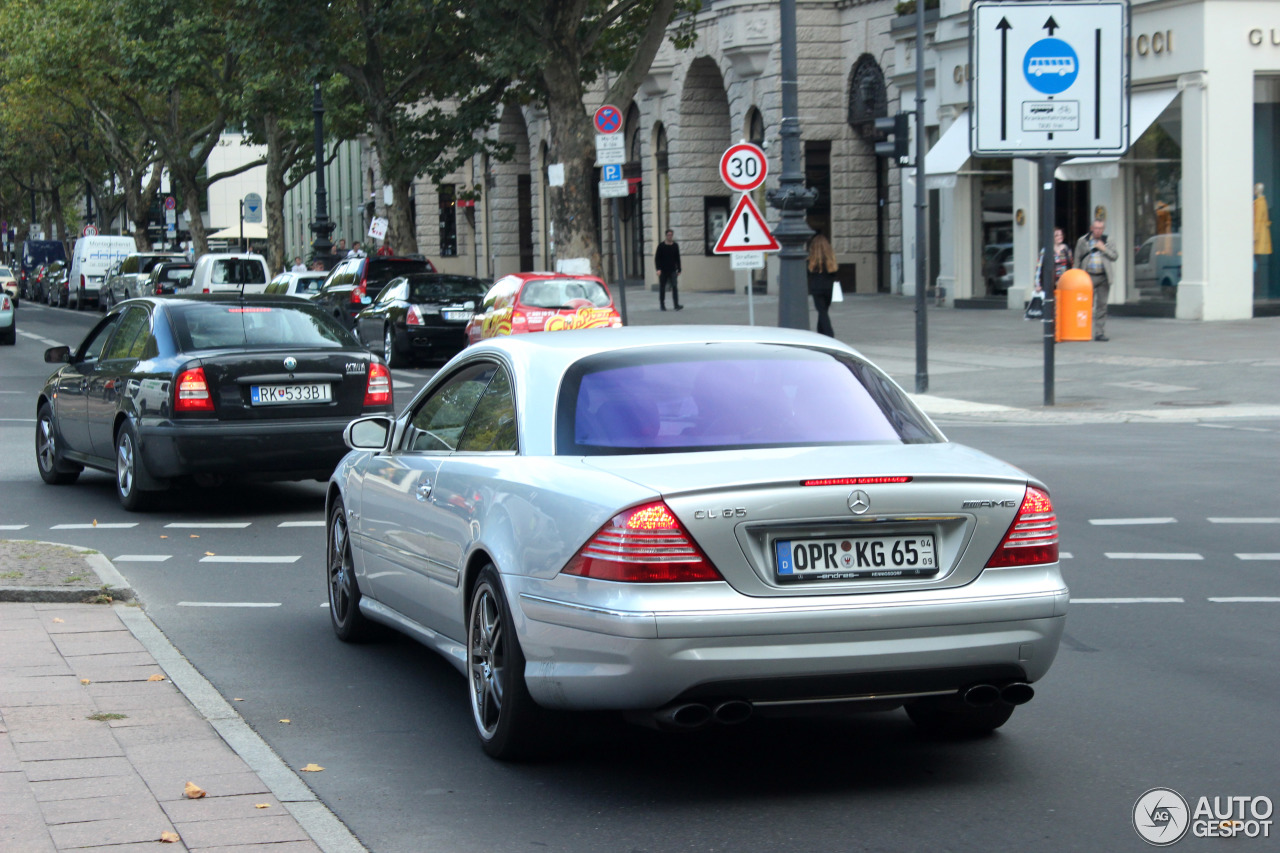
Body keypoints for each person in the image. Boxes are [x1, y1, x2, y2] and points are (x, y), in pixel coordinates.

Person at [1074, 219, 1118, 341]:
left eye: (1100, 228)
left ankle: (1099, 332)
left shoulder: (1108, 240)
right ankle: (1083, 330)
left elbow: (1115, 256)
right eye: (1096, 228)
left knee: (1102, 305)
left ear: (1103, 229)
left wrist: (1103, 249)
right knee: (1085, 305)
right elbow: (1077, 259)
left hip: (1103, 276)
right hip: (1088, 277)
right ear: (1091, 228)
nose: (1098, 231)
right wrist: (1076, 276)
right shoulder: (1083, 241)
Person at [806, 234, 838, 337]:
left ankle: (829, 333)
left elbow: (808, 273)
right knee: (823, 311)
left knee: (822, 311)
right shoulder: (830, 260)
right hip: (829, 288)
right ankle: (821, 333)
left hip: (816, 289)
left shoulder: (811, 261)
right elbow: (834, 273)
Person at [653, 229, 682, 311]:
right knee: (662, 287)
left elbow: (677, 258)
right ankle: (662, 305)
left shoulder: (675, 246)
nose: (670, 236)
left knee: (674, 286)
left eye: (671, 235)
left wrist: (679, 269)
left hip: (672, 269)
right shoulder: (661, 246)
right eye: (668, 235)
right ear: (666, 236)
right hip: (663, 270)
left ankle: (676, 304)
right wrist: (658, 269)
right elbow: (657, 258)